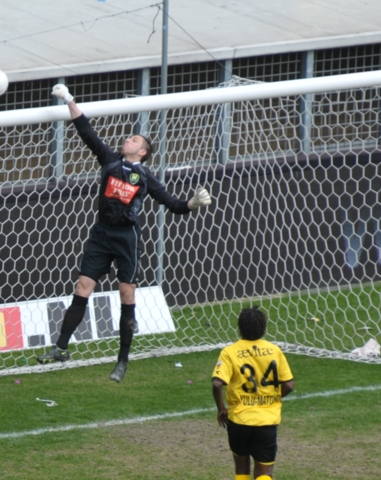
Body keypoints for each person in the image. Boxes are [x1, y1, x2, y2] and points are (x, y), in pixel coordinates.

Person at [37, 83, 212, 382]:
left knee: (126, 295)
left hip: (126, 239)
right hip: (101, 234)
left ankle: (122, 362)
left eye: (133, 139)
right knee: (82, 287)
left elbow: (172, 204)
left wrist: (193, 203)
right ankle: (61, 348)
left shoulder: (145, 177)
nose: (127, 139)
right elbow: (86, 131)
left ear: (142, 152)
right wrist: (69, 99)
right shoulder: (109, 159)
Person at [211, 306, 294, 480]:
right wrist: (273, 399)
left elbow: (217, 384)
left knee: (241, 467)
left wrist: (221, 409)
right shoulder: (274, 350)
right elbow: (289, 385)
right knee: (265, 472)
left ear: (239, 328)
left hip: (239, 420)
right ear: (264, 328)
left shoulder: (229, 352)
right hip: (266, 421)